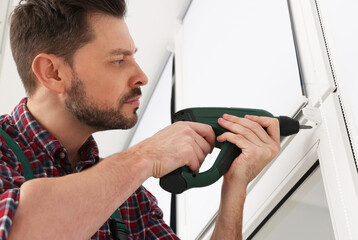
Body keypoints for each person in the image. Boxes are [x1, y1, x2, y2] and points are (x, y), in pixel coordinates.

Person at [0, 0, 281, 239]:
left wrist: (235, 187)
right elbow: (19, 229)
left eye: (133, 57)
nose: (141, 77)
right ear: (53, 73)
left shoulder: (131, 202)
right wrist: (146, 155)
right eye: (118, 60)